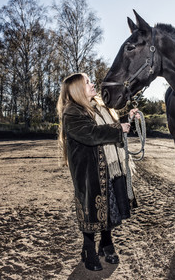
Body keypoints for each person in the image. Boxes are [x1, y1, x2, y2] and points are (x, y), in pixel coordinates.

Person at [57, 73, 139, 271]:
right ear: (77, 89)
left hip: (110, 166)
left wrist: (127, 120)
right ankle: (88, 248)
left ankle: (106, 243)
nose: (92, 84)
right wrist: (118, 129)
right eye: (87, 82)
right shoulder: (72, 112)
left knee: (109, 206)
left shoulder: (101, 106)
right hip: (89, 171)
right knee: (90, 209)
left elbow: (110, 126)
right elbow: (92, 134)